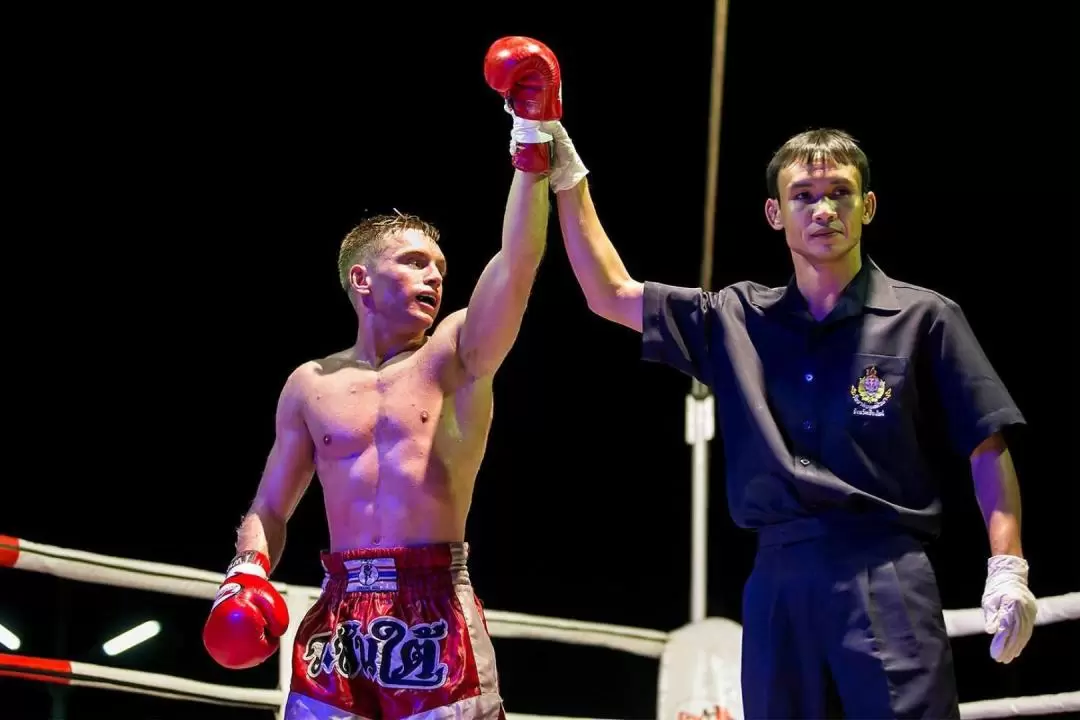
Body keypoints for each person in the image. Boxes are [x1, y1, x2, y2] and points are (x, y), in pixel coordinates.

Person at [541, 115, 1040, 717]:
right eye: (803, 196)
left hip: (885, 570)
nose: (823, 209)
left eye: (840, 194)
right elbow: (607, 293)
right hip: (777, 579)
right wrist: (564, 169)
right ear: (776, 213)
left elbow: (986, 442)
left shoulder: (926, 317)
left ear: (868, 206)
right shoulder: (735, 316)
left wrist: (1007, 564)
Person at [199, 36, 567, 720]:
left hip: (432, 607)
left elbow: (518, 264)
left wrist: (530, 136)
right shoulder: (309, 383)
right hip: (338, 613)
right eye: (416, 262)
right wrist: (246, 569)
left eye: (440, 267)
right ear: (362, 279)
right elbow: (271, 508)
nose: (436, 276)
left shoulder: (454, 353)